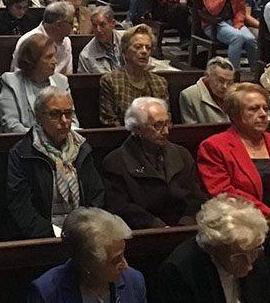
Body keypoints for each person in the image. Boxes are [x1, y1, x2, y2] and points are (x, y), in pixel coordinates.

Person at [197, 83, 270, 217]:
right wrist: (268, 213)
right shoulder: (214, 147)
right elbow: (223, 192)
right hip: (242, 222)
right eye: (254, 109)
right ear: (234, 114)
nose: (263, 114)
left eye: (265, 108)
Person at [5, 86, 103, 239]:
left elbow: (96, 194)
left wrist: (89, 229)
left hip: (85, 235)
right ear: (39, 116)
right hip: (41, 239)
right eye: (55, 114)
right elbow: (20, 206)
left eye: (68, 114)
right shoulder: (22, 153)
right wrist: (54, 234)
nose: (64, 121)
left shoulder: (82, 148)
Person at [104, 97, 204, 229]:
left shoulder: (182, 154)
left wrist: (185, 223)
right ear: (138, 128)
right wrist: (156, 225)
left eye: (167, 124)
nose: (166, 131)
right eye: (157, 125)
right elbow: (119, 207)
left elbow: (197, 197)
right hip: (144, 234)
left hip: (185, 228)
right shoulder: (116, 161)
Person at [157, 194, 270, 303]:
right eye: (237, 257)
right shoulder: (179, 270)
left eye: (253, 254)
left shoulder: (252, 251)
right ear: (213, 248)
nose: (249, 265)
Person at [28, 208, 147, 303]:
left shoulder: (134, 281)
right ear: (88, 264)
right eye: (115, 261)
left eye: (123, 255)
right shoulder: (47, 292)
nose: (125, 265)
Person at [0, 34, 77, 133]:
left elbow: (73, 120)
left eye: (54, 56)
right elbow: (11, 125)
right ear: (33, 60)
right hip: (25, 144)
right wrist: (45, 136)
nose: (55, 61)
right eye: (49, 57)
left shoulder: (61, 81)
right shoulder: (11, 82)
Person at [99, 25, 169, 127]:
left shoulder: (160, 83)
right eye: (138, 47)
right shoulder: (111, 81)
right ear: (125, 51)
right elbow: (109, 121)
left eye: (148, 48)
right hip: (122, 139)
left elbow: (166, 118)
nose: (144, 51)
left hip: (155, 138)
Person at [202, 0, 258, 75]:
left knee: (251, 39)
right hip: (215, 23)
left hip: (232, 21)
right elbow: (213, 10)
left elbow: (240, 9)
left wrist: (238, 23)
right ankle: (234, 74)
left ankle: (255, 72)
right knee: (237, 38)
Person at [12, 1, 75, 75]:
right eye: (71, 23)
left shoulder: (66, 41)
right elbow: (19, 76)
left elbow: (68, 74)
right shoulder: (29, 40)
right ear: (58, 24)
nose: (74, 26)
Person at [179, 56, 235, 124]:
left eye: (230, 82)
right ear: (207, 76)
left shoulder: (235, 94)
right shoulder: (189, 95)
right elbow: (192, 130)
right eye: (220, 80)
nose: (225, 86)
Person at [77, 6, 123, 74]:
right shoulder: (86, 55)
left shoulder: (129, 40)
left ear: (112, 24)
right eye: (94, 26)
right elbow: (85, 82)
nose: (98, 30)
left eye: (102, 25)